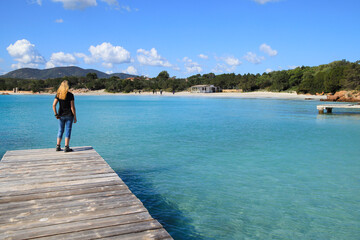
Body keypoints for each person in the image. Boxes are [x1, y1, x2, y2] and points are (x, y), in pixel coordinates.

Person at [52, 80, 77, 152]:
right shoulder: (70, 95)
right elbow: (72, 107)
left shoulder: (58, 94)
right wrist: (75, 117)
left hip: (61, 116)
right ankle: (66, 147)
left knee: (60, 130)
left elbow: (53, 105)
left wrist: (56, 114)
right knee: (68, 130)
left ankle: (58, 146)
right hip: (69, 115)